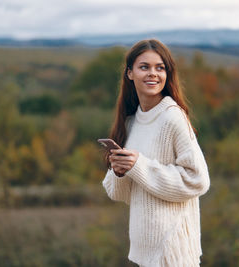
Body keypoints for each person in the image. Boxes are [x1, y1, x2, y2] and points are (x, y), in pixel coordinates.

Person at [102, 39, 210, 267]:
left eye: (160, 68)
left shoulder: (172, 117)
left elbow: (198, 180)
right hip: (145, 251)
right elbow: (118, 194)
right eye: (144, 67)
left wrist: (139, 165)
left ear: (167, 74)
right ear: (130, 73)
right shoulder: (131, 122)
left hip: (173, 252)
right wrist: (121, 172)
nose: (153, 74)